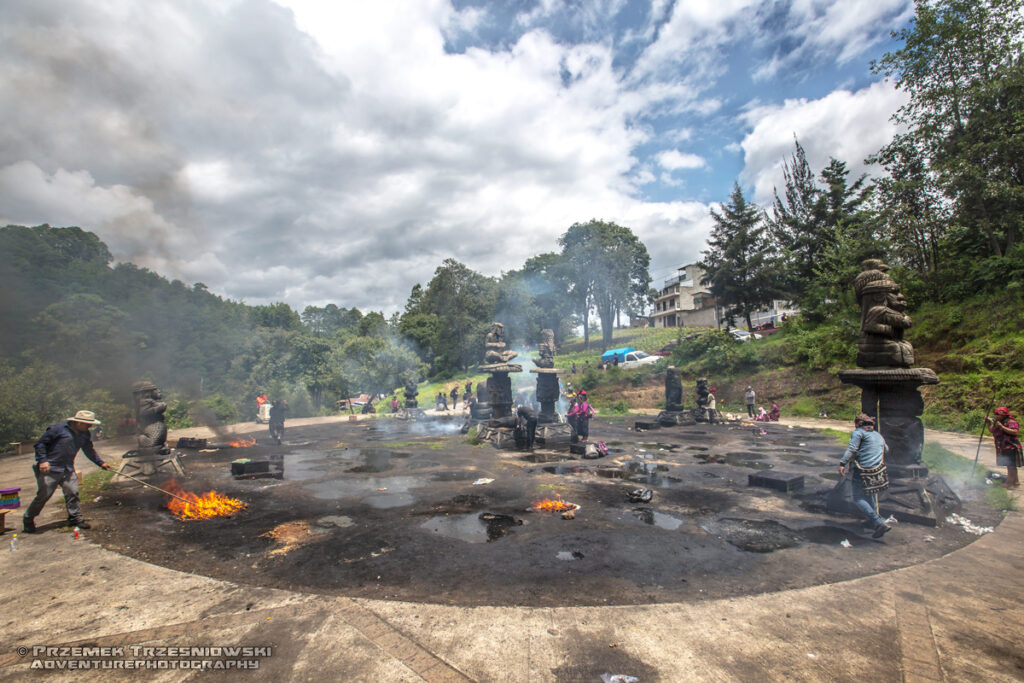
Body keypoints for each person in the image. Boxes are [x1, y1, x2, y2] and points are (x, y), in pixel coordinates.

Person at [23, 410, 112, 533]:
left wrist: (100, 463)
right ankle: (28, 519)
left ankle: (74, 518)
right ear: (79, 423)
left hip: (68, 468)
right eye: (88, 424)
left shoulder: (84, 434)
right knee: (43, 496)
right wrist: (43, 461)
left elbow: (89, 450)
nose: (90, 426)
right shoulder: (57, 430)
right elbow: (40, 445)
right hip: (50, 469)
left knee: (73, 492)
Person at [838, 414, 891, 538]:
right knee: (869, 493)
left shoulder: (858, 433)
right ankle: (874, 521)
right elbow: (886, 449)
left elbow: (852, 449)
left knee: (857, 497)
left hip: (862, 470)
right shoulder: (878, 435)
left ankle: (878, 522)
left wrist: (842, 463)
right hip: (877, 470)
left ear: (858, 424)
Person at [987, 407, 1021, 489]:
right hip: (1003, 447)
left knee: (1011, 466)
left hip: (1011, 446)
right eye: (995, 414)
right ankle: (1015, 481)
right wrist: (989, 423)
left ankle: (1009, 483)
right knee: (1010, 465)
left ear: (1003, 415)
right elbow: (992, 430)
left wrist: (1002, 427)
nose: (996, 416)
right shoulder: (998, 422)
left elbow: (1015, 431)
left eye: (998, 415)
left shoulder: (1011, 422)